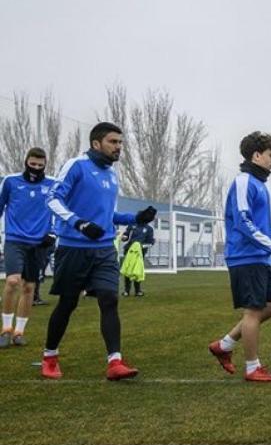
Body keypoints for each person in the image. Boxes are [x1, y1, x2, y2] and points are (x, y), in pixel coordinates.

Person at [42, 123, 157, 379]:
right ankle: (49, 356)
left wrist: (136, 218)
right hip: (73, 247)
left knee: (109, 299)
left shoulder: (112, 175)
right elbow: (51, 198)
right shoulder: (77, 165)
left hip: (104, 248)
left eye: (120, 143)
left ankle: (115, 362)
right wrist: (78, 223)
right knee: (68, 303)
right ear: (96, 144)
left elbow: (109, 215)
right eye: (113, 142)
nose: (118, 147)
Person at [207, 131, 271, 382]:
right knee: (253, 312)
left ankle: (224, 345)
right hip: (246, 257)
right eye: (269, 155)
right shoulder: (244, 181)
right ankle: (253, 368)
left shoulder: (259, 184)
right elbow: (244, 222)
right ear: (256, 155)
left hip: (258, 257)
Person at [0, 147, 57, 348]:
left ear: (45, 165)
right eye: (32, 164)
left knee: (29, 287)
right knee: (13, 282)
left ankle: (19, 332)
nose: (36, 168)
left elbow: (60, 209)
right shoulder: (10, 181)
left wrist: (53, 232)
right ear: (26, 162)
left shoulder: (52, 184)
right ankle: (5, 329)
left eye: (40, 166)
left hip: (38, 243)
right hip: (15, 240)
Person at [121, 222, 155, 296]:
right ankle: (126, 291)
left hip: (140, 253)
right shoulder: (132, 225)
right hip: (129, 251)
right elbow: (126, 235)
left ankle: (138, 291)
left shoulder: (149, 229)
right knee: (128, 269)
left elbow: (151, 242)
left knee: (137, 270)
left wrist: (141, 246)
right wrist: (124, 237)